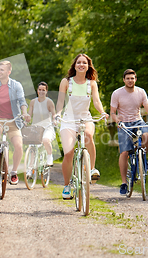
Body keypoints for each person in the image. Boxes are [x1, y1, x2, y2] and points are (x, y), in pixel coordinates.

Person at [55, 54, 109, 199]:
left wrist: (102, 112)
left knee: (89, 136)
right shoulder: (66, 82)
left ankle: (91, 169)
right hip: (68, 120)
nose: (81, 64)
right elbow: (60, 101)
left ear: (88, 66)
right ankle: (67, 186)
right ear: (75, 65)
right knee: (68, 153)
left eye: (84, 63)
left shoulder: (91, 83)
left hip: (85, 118)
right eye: (78, 62)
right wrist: (58, 114)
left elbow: (96, 101)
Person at [0, 60, 31, 185]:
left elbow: (22, 101)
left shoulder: (16, 85)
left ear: (9, 71)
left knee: (19, 146)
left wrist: (25, 113)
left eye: (1, 70)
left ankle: (13, 172)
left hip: (13, 119)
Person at [110, 69, 148, 195]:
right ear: (124, 80)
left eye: (132, 78)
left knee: (147, 136)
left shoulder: (141, 92)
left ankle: (143, 159)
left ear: (135, 79)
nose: (130, 80)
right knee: (124, 152)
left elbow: (147, 107)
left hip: (138, 121)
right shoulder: (117, 93)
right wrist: (117, 121)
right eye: (128, 78)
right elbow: (112, 112)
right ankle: (124, 183)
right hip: (124, 124)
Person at [26, 81, 56, 167]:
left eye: (43, 90)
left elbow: (54, 115)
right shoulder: (33, 102)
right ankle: (29, 169)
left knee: (46, 140)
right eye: (40, 90)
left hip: (47, 127)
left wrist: (55, 120)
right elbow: (29, 115)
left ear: (46, 91)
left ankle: (50, 157)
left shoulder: (49, 102)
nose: (41, 92)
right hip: (36, 128)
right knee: (32, 148)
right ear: (37, 90)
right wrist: (25, 120)